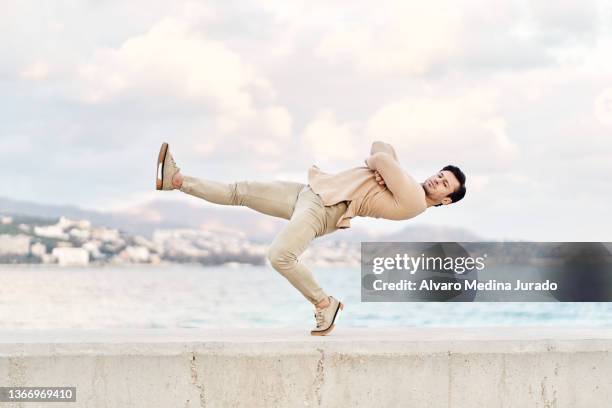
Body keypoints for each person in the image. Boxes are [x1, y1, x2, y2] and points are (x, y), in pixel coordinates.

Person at [155, 141, 466, 336]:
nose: (436, 179)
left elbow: (381, 157)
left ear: (446, 201)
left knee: (280, 255)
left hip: (325, 208)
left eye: (444, 184)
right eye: (439, 174)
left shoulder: (413, 198)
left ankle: (324, 303)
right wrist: (384, 165)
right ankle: (177, 180)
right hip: (312, 193)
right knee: (240, 191)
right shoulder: (408, 184)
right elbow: (379, 144)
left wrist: (380, 166)